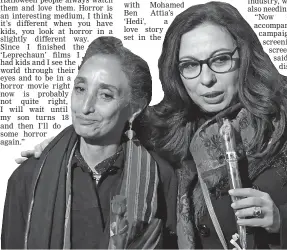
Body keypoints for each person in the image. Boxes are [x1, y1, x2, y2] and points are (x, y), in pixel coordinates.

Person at [14, 2, 287, 249]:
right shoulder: (168, 123)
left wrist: (282, 218)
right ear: (175, 72)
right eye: (190, 65)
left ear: (245, 54)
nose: (206, 79)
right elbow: (105, 120)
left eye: (220, 60)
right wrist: (58, 145)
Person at [1, 36, 177, 249]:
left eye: (105, 95)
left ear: (134, 109)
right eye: (80, 89)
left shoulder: (161, 176)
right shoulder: (28, 177)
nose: (85, 107)